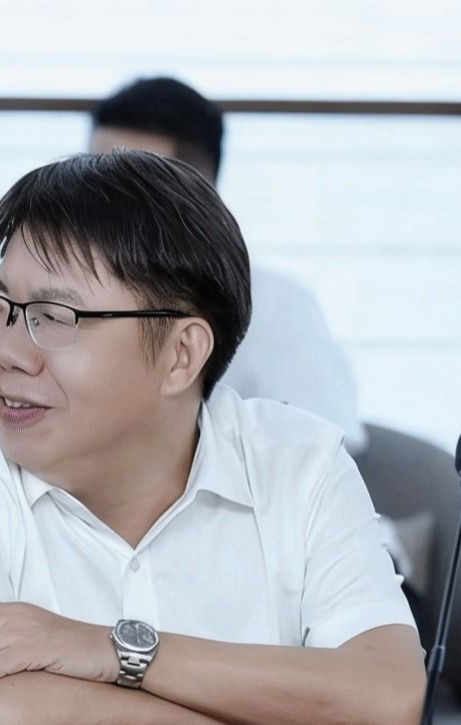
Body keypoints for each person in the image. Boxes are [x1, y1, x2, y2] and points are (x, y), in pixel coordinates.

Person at [0, 150, 422, 725]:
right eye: (0, 308)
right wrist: (286, 717)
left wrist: (112, 649)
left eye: (53, 318)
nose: (5, 352)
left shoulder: (300, 464)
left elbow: (391, 697)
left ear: (181, 355)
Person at [90, 76, 365, 450]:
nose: (96, 202)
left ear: (198, 194)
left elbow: (326, 446)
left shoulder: (277, 306)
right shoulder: (57, 294)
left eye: (127, 186)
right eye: (93, 176)